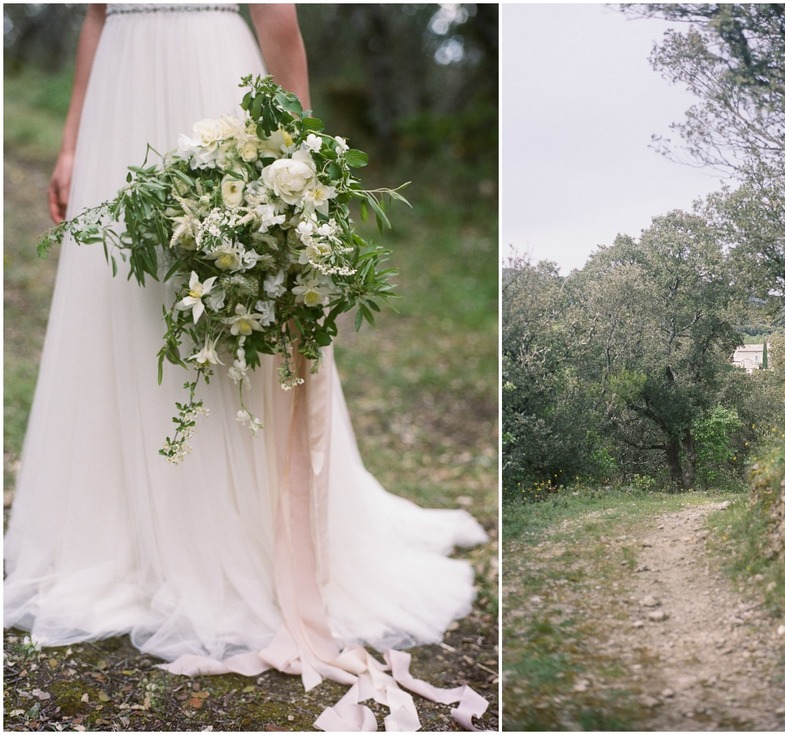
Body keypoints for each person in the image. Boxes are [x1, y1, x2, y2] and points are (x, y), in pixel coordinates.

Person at [5, 4, 489, 730]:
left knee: (220, 305)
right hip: (117, 105)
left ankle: (229, 541)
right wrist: (73, 141)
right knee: (123, 300)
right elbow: (96, 16)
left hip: (208, 87)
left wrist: (300, 161)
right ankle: (116, 535)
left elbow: (279, 22)